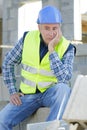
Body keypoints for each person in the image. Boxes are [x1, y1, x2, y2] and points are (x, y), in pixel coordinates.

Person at [0, 5, 76, 130]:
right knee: (1, 120)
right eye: (47, 28)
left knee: (64, 89)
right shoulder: (27, 39)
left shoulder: (67, 47)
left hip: (50, 93)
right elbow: (8, 62)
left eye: (55, 28)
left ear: (60, 28)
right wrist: (13, 91)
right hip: (27, 96)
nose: (51, 33)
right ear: (39, 27)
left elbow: (64, 77)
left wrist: (52, 50)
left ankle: (52, 128)